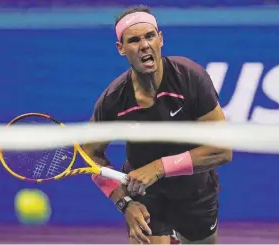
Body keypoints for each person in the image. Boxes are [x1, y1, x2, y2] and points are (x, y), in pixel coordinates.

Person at [82, 5, 233, 244]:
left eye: (149, 36)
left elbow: (222, 150)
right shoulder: (113, 100)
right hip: (146, 195)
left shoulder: (190, 78)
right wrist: (125, 203)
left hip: (195, 191)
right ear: (121, 49)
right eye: (133, 40)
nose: (144, 45)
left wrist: (158, 168)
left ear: (160, 39)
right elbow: (90, 155)